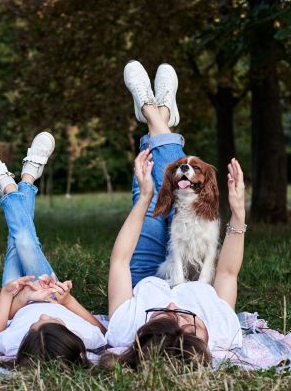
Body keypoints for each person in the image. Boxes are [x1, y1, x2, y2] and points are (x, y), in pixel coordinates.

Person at [105, 61, 247, 368]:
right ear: (205, 339)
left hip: (142, 276)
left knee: (153, 188)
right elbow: (226, 274)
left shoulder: (124, 330)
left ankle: (156, 114)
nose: (172, 303)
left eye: (159, 316)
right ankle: (155, 113)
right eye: (185, 318)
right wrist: (237, 214)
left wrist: (143, 201)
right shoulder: (224, 330)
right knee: (170, 183)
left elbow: (118, 262)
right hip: (192, 270)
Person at [0, 134, 107, 367]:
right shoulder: (85, 337)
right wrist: (66, 302)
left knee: (18, 239)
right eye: (52, 321)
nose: (43, 315)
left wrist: (17, 296)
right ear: (69, 336)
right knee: (25, 242)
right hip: (51, 289)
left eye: (36, 324)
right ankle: (11, 184)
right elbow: (102, 330)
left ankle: (22, 181)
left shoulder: (15, 343)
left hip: (17, 292)